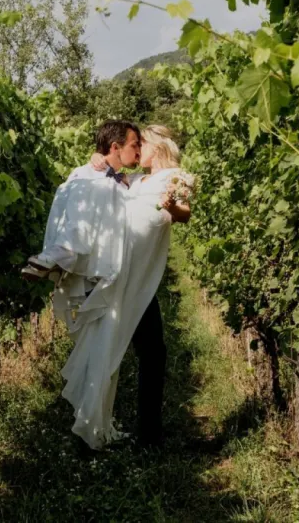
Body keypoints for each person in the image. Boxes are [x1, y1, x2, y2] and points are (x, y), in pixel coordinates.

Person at [24, 121, 192, 450]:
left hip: (138, 280)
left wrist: (171, 205)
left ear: (156, 146)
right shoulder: (135, 179)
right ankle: (106, 429)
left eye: (140, 144)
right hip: (116, 275)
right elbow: (102, 184)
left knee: (151, 353)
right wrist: (96, 160)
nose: (137, 150)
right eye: (134, 144)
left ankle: (147, 435)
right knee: (121, 349)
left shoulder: (173, 179)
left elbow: (184, 213)